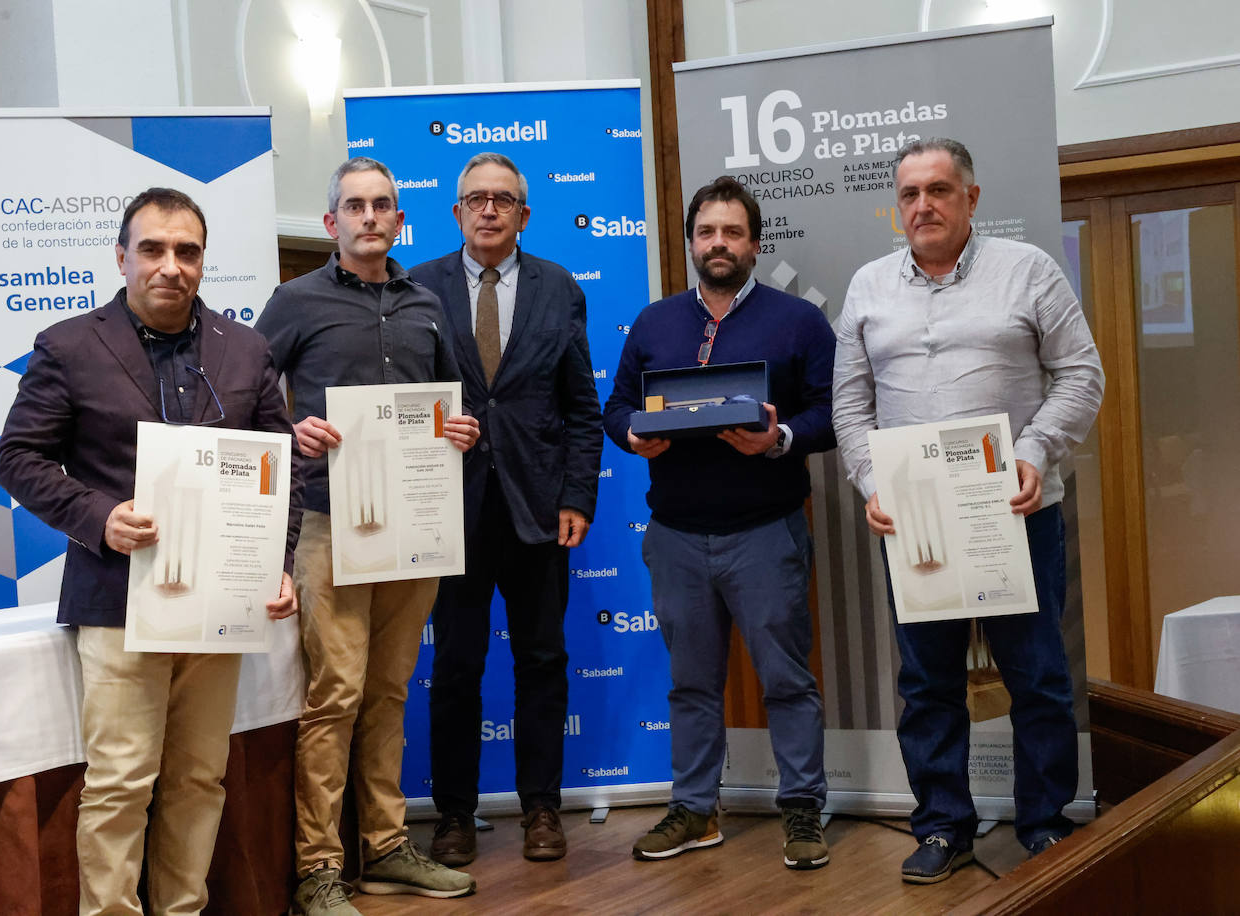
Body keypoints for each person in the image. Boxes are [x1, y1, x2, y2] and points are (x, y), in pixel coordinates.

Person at [0, 187, 302, 915]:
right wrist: (98, 516)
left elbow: (281, 470)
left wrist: (277, 561)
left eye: (187, 251)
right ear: (122, 256)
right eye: (154, 249)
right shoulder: (68, 346)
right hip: (117, 598)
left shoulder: (247, 348)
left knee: (200, 777)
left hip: (217, 603)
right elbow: (17, 458)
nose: (171, 266)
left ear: (203, 261)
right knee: (122, 779)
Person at [832, 137, 1105, 883]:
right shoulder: (868, 287)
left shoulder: (1029, 271)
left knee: (1038, 675)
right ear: (898, 205)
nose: (924, 205)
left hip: (1014, 511)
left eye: (940, 190)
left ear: (971, 198)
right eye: (911, 193)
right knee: (928, 683)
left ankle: (1044, 822)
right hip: (914, 519)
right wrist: (870, 483)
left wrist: (1037, 450)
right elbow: (850, 405)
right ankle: (944, 826)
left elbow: (1082, 373)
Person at [254, 157, 481, 916]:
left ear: (398, 219)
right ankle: (319, 865)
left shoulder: (425, 304)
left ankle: (385, 849)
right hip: (328, 524)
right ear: (332, 224)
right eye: (355, 207)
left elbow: (453, 407)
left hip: (413, 527)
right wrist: (291, 430)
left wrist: (460, 430)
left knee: (387, 691)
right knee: (336, 695)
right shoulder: (294, 301)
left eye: (384, 205)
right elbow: (246, 408)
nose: (371, 217)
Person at [603, 176, 836, 870]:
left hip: (767, 531)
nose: (719, 243)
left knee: (788, 681)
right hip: (674, 535)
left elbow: (833, 411)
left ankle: (802, 809)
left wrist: (782, 438)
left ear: (755, 244)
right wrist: (632, 437)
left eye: (732, 232)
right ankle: (695, 809)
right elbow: (616, 406)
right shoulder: (654, 323)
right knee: (692, 685)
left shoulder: (799, 321)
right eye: (707, 232)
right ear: (690, 243)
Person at [409, 152, 603, 866]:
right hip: (448, 510)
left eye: (503, 199)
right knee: (456, 667)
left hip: (539, 508)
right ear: (455, 211)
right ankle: (454, 815)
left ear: (525, 214)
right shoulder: (419, 286)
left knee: (543, 663)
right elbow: (399, 403)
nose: (488, 209)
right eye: (474, 199)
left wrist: (579, 496)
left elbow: (582, 408)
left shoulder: (559, 287)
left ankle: (542, 810)